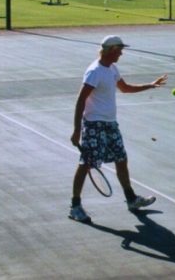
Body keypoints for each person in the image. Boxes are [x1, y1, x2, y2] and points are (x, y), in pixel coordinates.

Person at [68, 35, 168, 223]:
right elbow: (81, 100)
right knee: (86, 164)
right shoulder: (94, 72)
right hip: (94, 125)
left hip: (110, 123)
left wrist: (150, 85)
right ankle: (75, 206)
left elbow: (125, 88)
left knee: (121, 159)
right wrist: (76, 130)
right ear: (112, 50)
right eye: (120, 49)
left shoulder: (112, 68)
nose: (122, 53)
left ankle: (131, 199)